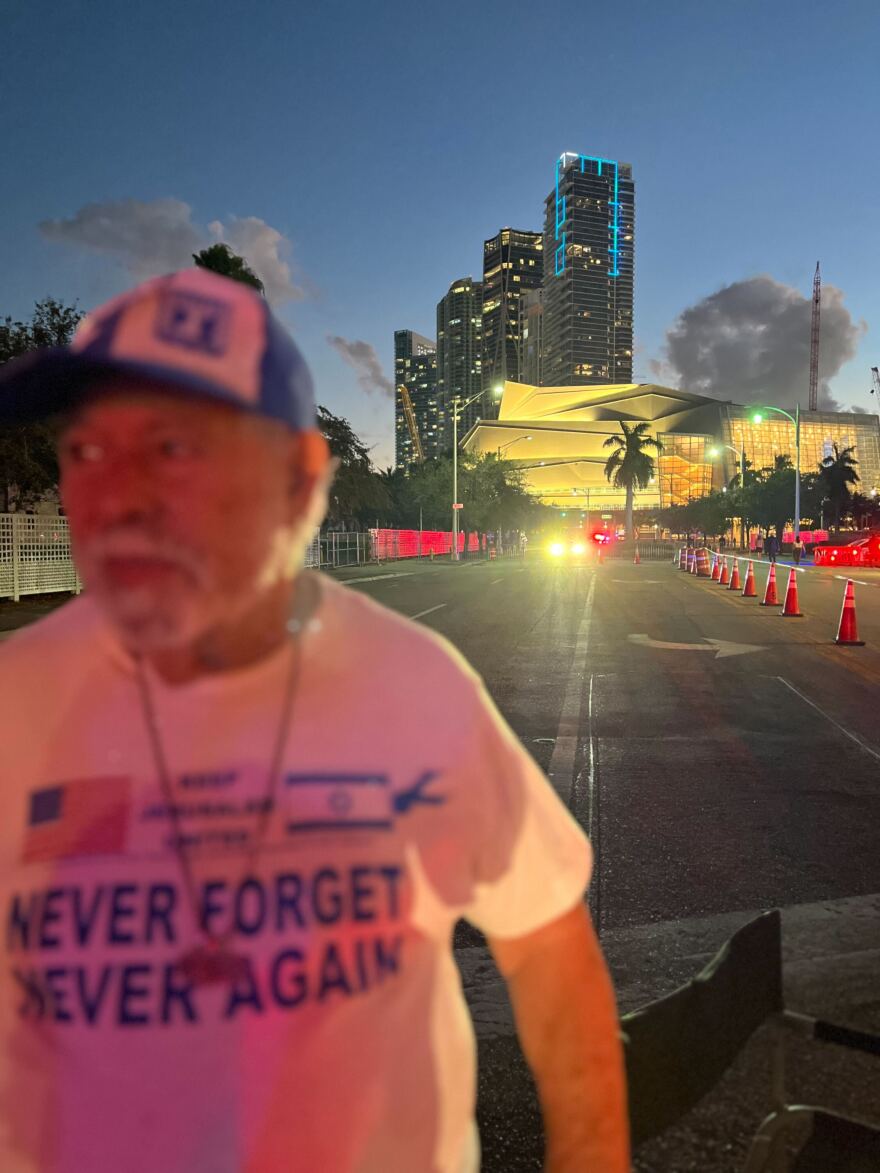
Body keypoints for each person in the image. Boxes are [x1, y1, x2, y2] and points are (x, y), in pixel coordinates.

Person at [0, 269, 628, 1173]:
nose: (118, 496)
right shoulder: (18, 703)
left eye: (175, 448)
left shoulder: (415, 687)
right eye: (88, 449)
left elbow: (550, 952)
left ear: (300, 484)